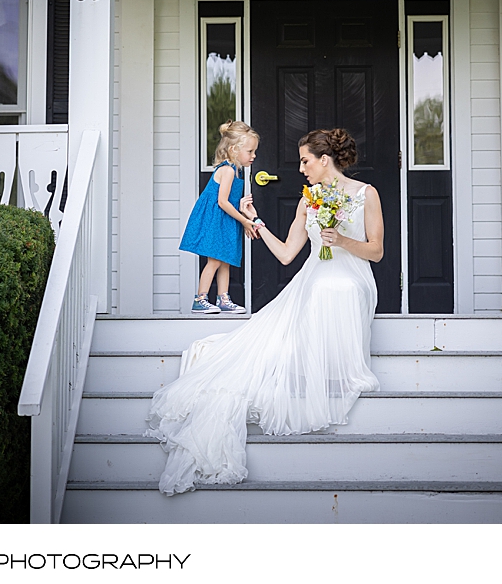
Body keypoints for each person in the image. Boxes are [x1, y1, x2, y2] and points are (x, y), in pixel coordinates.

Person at [145, 128, 383, 495]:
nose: (301, 169)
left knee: (339, 287)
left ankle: (339, 364)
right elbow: (288, 254)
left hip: (354, 277)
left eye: (305, 161)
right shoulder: (310, 200)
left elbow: (377, 251)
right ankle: (320, 361)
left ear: (324, 159)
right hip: (314, 279)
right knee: (319, 288)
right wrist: (255, 222)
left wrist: (342, 241)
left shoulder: (367, 194)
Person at [179, 120, 260, 313]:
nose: (253, 155)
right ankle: (200, 299)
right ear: (234, 149)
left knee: (225, 259)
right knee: (214, 260)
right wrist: (244, 220)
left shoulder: (236, 171)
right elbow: (222, 202)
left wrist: (241, 209)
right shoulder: (228, 170)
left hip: (225, 219)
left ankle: (223, 298)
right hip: (216, 219)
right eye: (249, 151)